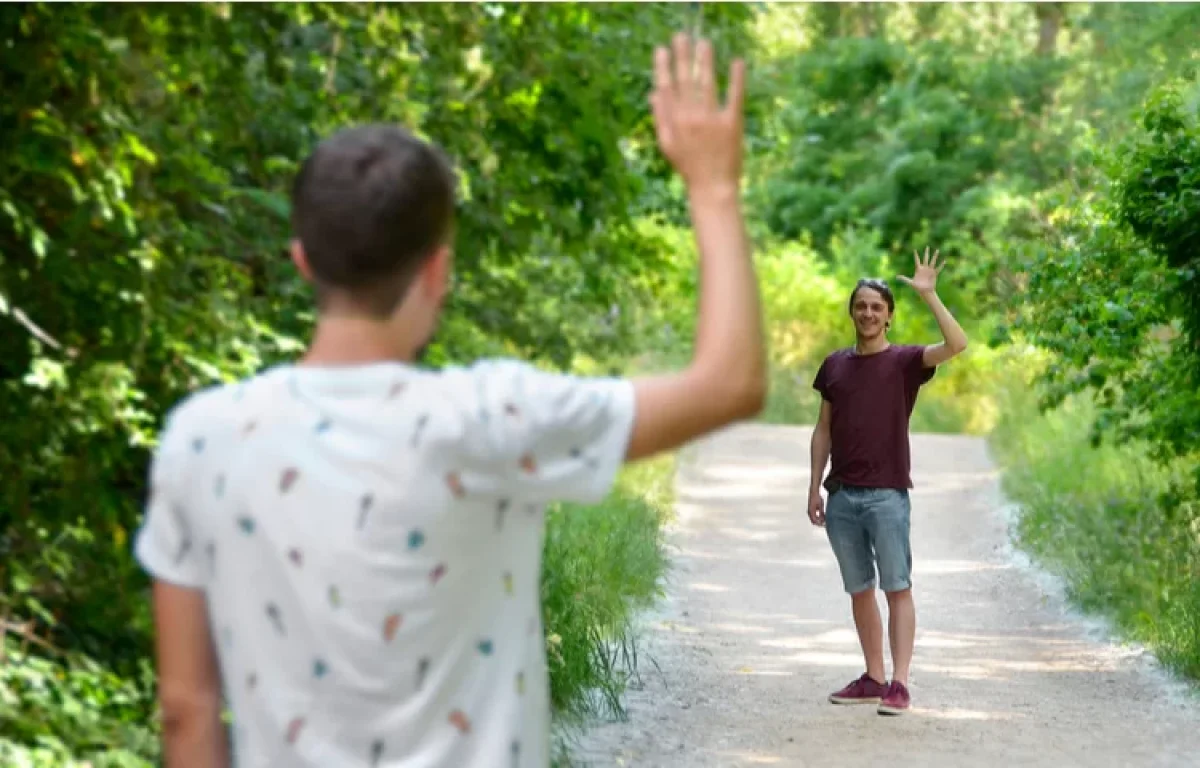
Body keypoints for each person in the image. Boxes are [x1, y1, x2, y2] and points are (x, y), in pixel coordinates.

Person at [131, 33, 763, 768]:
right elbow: (731, 383)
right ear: (439, 270)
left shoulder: (201, 439)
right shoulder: (490, 419)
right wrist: (713, 187)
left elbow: (186, 712)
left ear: (301, 260)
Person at [807, 249, 968, 716]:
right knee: (859, 589)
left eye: (877, 306)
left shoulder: (905, 362)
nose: (868, 312)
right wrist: (814, 485)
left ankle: (900, 683)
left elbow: (957, 344)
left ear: (890, 316)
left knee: (896, 587)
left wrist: (931, 295)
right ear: (852, 312)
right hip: (841, 497)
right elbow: (823, 430)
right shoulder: (835, 364)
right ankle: (873, 677)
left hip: (887, 496)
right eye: (861, 305)